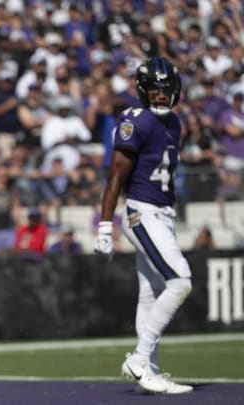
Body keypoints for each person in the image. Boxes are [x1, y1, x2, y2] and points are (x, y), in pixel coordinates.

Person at [94, 57, 193, 395]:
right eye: (154, 91)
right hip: (141, 212)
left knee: (150, 293)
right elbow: (115, 175)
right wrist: (105, 226)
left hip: (162, 212)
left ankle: (147, 374)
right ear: (142, 91)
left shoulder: (174, 124)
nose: (161, 97)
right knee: (179, 282)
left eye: (166, 91)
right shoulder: (136, 121)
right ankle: (139, 360)